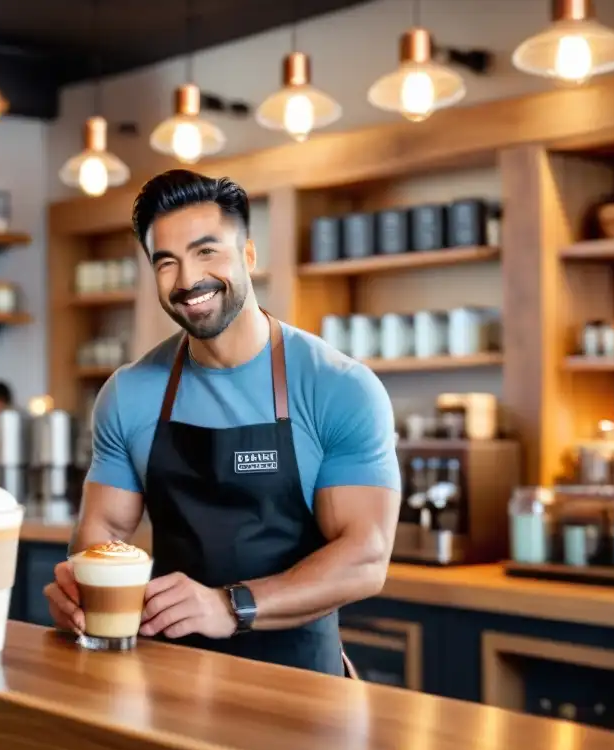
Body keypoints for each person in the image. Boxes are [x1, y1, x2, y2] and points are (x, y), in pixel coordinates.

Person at [44, 170, 401, 675]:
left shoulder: (338, 386)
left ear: (249, 256)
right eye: (167, 262)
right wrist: (86, 593)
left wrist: (231, 606)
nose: (188, 280)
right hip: (172, 676)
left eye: (207, 251)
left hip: (302, 686)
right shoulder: (129, 393)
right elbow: (101, 529)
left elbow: (365, 556)